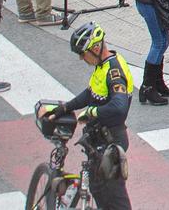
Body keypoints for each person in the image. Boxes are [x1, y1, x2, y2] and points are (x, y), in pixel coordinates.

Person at [40, 23, 136, 206]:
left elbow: (119, 106)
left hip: (111, 141)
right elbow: (91, 93)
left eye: (83, 53)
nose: (81, 58)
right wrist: (66, 107)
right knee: (97, 189)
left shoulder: (114, 72)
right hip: (96, 139)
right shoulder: (102, 66)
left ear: (96, 48)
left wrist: (92, 112)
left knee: (116, 199)